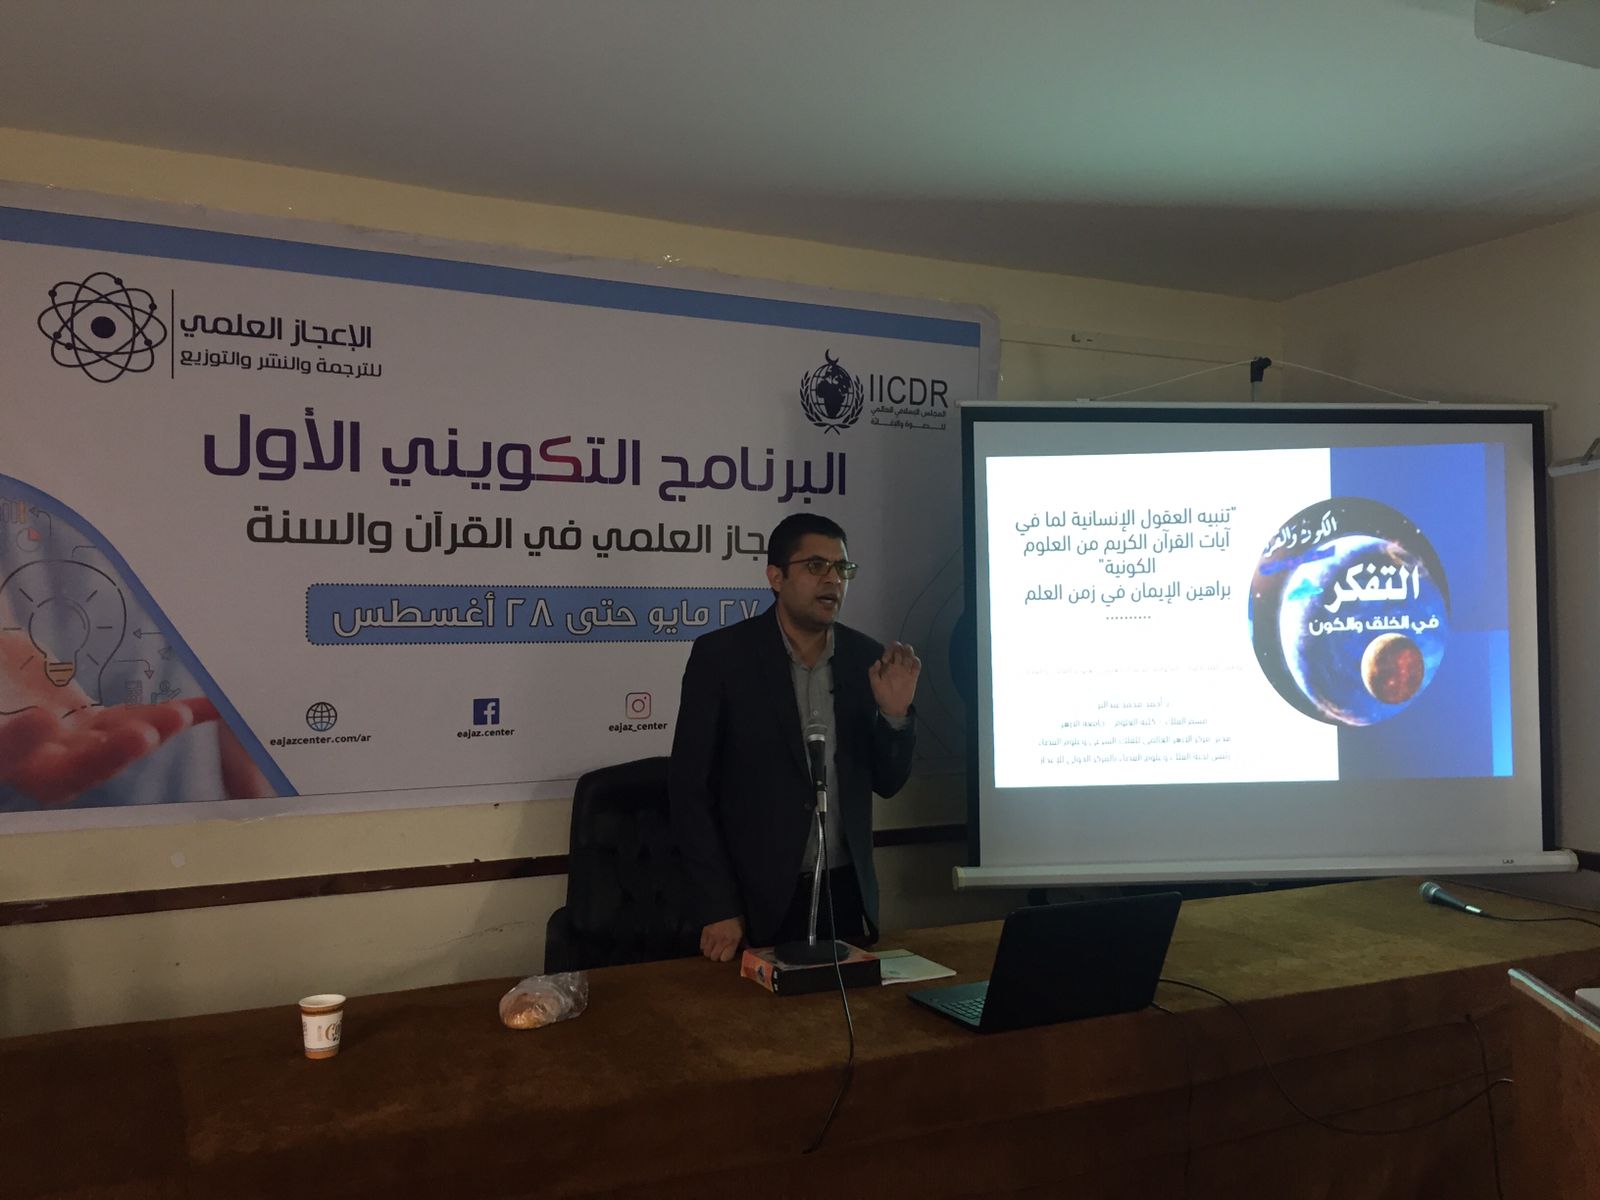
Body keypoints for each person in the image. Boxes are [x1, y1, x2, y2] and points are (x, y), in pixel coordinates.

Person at [669, 513, 920, 962]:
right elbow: (689, 791)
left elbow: (887, 781)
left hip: (844, 894)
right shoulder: (723, 657)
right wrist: (718, 905)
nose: (833, 580)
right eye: (816, 566)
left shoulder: (865, 658)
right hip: (754, 901)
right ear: (775, 577)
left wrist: (894, 715)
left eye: (842, 568)